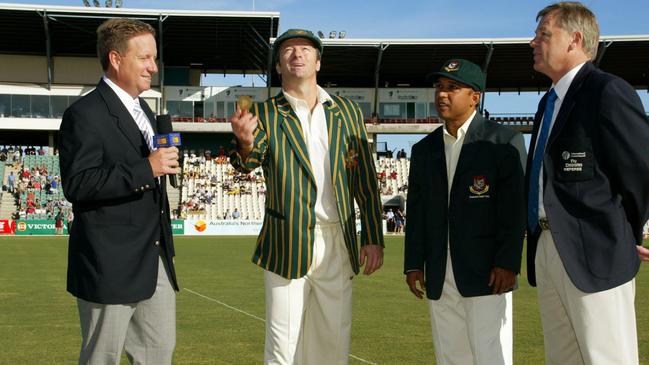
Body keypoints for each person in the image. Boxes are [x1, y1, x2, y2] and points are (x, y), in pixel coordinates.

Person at [229, 28, 384, 365]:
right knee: (283, 346)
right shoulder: (266, 113)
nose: (296, 54)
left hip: (337, 241)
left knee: (333, 341)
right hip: (287, 240)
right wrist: (244, 143)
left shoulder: (347, 112)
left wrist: (373, 236)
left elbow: (365, 181)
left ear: (318, 61)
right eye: (287, 50)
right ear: (278, 66)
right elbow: (249, 163)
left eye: (304, 49)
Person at [527, 3, 649, 364]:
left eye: (543, 34)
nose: (532, 42)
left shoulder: (606, 91)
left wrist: (623, 230)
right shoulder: (548, 103)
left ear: (575, 40)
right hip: (548, 248)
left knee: (606, 357)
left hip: (596, 250)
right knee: (562, 357)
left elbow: (641, 169)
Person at [58, 18, 180, 365]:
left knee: (157, 356)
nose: (153, 68)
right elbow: (78, 183)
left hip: (154, 261)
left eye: (153, 59)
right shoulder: (85, 113)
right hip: (109, 264)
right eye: (144, 58)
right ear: (115, 59)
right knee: (102, 358)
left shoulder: (143, 110)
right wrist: (148, 168)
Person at [404, 59, 526, 365]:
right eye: (439, 88)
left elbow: (514, 210)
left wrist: (507, 262)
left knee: (490, 355)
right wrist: (413, 264)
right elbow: (417, 212)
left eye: (452, 88)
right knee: (450, 356)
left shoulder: (503, 141)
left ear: (475, 96)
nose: (442, 95)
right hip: (439, 271)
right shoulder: (424, 149)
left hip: (488, 273)